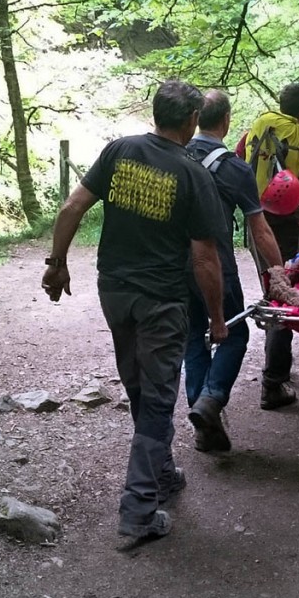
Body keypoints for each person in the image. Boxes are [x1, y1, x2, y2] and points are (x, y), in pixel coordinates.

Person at [41, 80, 228, 540]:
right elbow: (205, 258)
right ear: (190, 122)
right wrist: (219, 318)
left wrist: (57, 265)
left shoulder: (118, 150)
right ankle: (139, 509)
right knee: (159, 399)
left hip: (116, 293)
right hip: (162, 301)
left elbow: (72, 207)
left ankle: (161, 474)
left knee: (141, 387)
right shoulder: (193, 175)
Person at [183, 90, 284, 453]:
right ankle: (210, 401)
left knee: (193, 337)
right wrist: (279, 274)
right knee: (234, 334)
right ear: (225, 120)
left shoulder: (174, 155)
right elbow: (260, 231)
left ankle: (202, 417)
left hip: (175, 271)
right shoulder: (234, 168)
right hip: (216, 267)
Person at [238, 83, 299, 410]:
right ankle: (273, 381)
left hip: (257, 223)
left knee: (272, 289)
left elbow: (240, 171)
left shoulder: (253, 134)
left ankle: (278, 374)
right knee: (283, 296)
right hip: (294, 226)